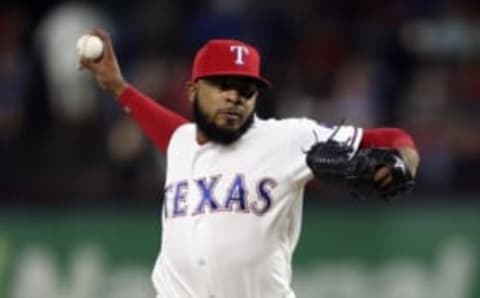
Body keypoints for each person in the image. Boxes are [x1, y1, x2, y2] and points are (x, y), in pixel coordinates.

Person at [80, 29, 420, 298]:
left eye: (246, 90)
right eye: (222, 85)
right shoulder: (181, 142)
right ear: (193, 91)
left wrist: (401, 165)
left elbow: (394, 138)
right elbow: (166, 128)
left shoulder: (288, 138)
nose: (234, 97)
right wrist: (117, 87)